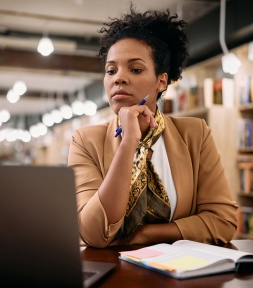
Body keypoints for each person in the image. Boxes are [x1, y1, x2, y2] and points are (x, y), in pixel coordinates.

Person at [68, 6, 238, 248]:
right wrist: (128, 144)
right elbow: (93, 233)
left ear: (161, 81)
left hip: (181, 274)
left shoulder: (195, 134)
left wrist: (144, 235)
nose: (118, 78)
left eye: (135, 69)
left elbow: (223, 220)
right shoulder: (85, 141)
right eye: (111, 70)